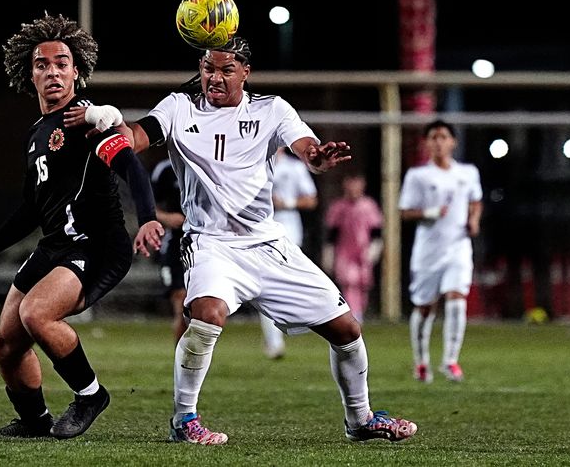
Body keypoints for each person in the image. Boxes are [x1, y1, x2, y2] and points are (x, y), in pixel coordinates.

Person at [65, 36, 417, 445]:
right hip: (210, 243)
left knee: (347, 330)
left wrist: (318, 158)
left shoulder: (272, 109)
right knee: (206, 316)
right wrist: (107, 118)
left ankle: (360, 419)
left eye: (226, 70)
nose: (215, 78)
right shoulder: (179, 108)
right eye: (208, 68)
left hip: (268, 244)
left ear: (245, 72)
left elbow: (306, 147)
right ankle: (185, 420)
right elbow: (137, 137)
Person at [0, 14, 163, 439]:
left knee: (37, 314)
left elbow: (131, 166)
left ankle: (90, 394)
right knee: (6, 343)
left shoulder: (88, 123)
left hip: (96, 246)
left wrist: (149, 218)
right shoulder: (36, 133)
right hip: (55, 246)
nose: (53, 71)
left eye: (62, 63)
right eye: (43, 65)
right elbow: (30, 210)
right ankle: (34, 421)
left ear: (77, 72)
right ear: (31, 74)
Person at [399, 119, 483, 383]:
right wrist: (430, 212)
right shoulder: (418, 175)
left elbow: (476, 201)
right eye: (433, 137)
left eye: (443, 137)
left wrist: (474, 220)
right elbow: (404, 211)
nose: (438, 142)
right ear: (426, 143)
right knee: (425, 307)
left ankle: (450, 361)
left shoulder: (468, 172)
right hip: (428, 250)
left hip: (458, 247)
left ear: (453, 142)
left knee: (457, 299)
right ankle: (422, 362)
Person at [263, 146, 319, 359]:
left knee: (283, 283)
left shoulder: (294, 167)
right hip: (261, 230)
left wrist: (286, 203)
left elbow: (311, 199)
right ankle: (274, 340)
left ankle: (288, 324)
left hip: (289, 230)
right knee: (268, 285)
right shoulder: (252, 162)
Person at [322, 173, 383, 323]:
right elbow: (331, 234)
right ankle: (354, 317)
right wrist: (329, 254)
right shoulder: (339, 207)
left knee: (362, 285)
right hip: (344, 252)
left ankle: (358, 313)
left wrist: (374, 250)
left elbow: (376, 232)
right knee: (349, 283)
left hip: (363, 252)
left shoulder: (368, 206)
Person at [151, 157, 188, 344]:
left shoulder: (208, 162)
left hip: (206, 242)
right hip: (175, 243)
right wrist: (167, 218)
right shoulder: (165, 169)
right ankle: (182, 361)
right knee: (181, 302)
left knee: (201, 308)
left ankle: (196, 357)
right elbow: (149, 206)